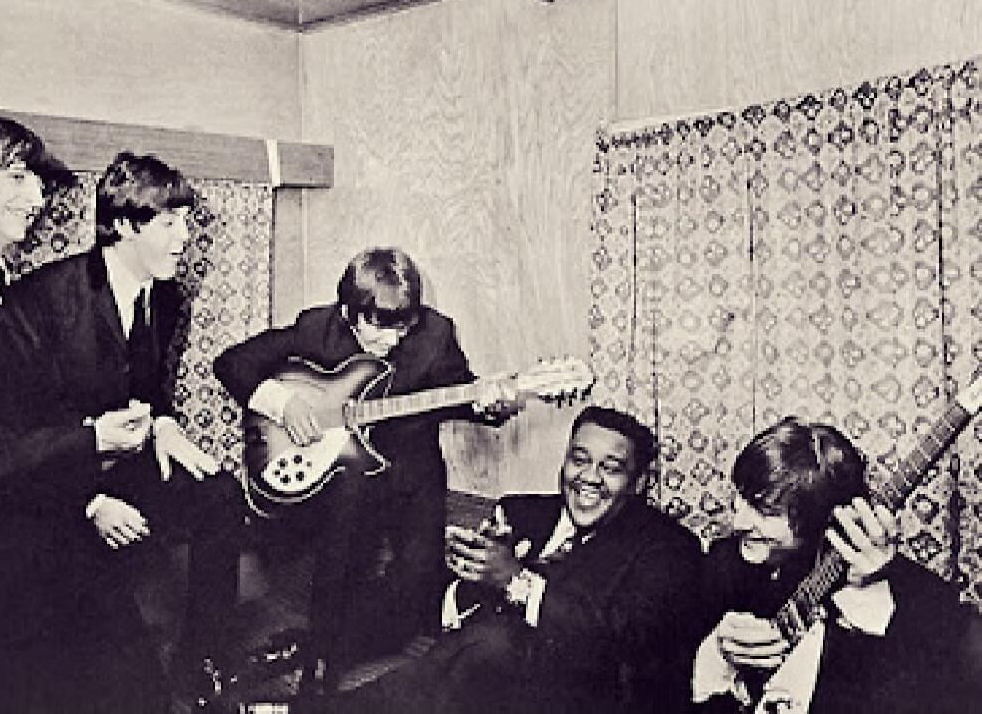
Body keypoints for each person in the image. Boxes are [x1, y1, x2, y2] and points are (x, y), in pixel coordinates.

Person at [0, 118, 166, 714]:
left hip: (50, 549)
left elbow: (28, 418)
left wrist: (90, 493)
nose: (38, 198)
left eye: (38, 182)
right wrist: (87, 440)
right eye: (18, 179)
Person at [214, 247, 517, 685]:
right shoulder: (316, 328)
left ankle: (347, 644)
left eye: (403, 326)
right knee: (342, 552)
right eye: (378, 328)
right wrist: (286, 403)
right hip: (343, 478)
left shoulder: (435, 335)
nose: (392, 340)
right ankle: (319, 662)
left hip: (411, 471)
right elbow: (232, 364)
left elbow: (463, 394)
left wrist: (492, 405)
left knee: (417, 585)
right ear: (347, 310)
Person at [7, 150, 247, 693]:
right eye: (168, 223)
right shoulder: (43, 298)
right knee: (112, 676)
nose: (184, 237)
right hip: (55, 487)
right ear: (120, 226)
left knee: (220, 494)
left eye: (184, 221)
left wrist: (163, 423)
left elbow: (149, 389)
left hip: (124, 466)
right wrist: (89, 503)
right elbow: (22, 433)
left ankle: (202, 658)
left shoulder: (164, 295)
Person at [284, 405, 703, 714]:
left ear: (639, 482)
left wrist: (515, 580)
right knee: (414, 608)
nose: (589, 478)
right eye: (579, 459)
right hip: (478, 682)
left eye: (611, 468)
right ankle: (289, 665)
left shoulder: (670, 548)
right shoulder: (522, 512)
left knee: (495, 644)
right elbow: (447, 611)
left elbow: (618, 640)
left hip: (582, 698)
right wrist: (467, 576)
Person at [691, 416, 979, 714]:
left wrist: (870, 609)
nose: (738, 523)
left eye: (765, 511)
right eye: (741, 498)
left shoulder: (923, 601)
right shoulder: (725, 566)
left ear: (823, 519)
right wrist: (717, 657)